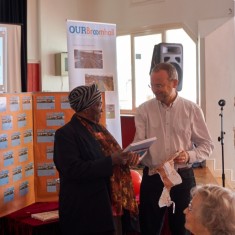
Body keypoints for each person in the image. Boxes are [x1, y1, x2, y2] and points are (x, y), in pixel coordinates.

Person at [133, 62, 214, 235]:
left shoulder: (191, 109)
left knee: (184, 228)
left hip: (182, 178)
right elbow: (139, 145)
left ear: (174, 83)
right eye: (152, 85)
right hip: (153, 177)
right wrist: (133, 156)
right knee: (149, 228)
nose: (155, 90)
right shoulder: (143, 110)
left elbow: (207, 145)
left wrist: (189, 155)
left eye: (159, 85)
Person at [53, 83, 139, 235]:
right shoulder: (65, 134)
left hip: (106, 207)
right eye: (99, 104)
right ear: (87, 108)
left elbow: (109, 160)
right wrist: (112, 160)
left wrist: (125, 158)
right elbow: (74, 170)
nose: (102, 108)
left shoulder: (98, 129)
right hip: (84, 212)